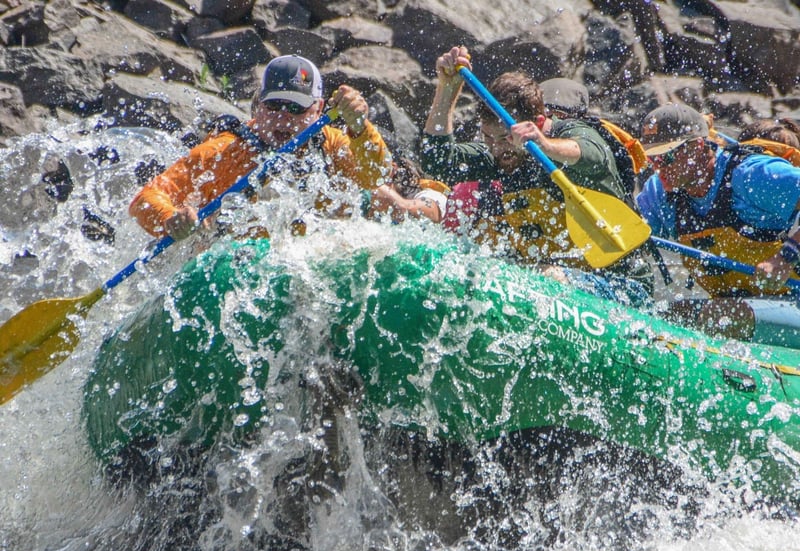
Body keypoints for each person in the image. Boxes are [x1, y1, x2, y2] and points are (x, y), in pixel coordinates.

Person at [419, 46, 653, 304]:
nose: (497, 149)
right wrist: (447, 89)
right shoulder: (501, 155)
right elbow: (437, 160)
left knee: (544, 276)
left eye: (504, 138)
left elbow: (590, 153)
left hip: (622, 286)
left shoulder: (572, 133)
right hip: (553, 281)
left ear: (539, 122)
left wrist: (544, 144)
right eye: (488, 137)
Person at [129, 54, 393, 240]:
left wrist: (360, 128)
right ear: (259, 105)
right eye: (274, 105)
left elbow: (376, 176)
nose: (283, 116)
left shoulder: (330, 142)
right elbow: (145, 198)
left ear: (318, 109)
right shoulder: (224, 151)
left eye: (296, 108)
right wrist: (170, 218)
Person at [635, 103, 800, 348]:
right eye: (652, 158)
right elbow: (629, 232)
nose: (658, 167)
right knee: (662, 314)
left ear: (697, 146)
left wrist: (786, 257)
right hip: (737, 308)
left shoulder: (752, 175)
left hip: (792, 304)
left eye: (666, 157)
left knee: (722, 316)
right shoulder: (659, 193)